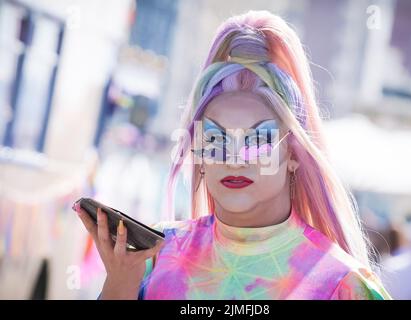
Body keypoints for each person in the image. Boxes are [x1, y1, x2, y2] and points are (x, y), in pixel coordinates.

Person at [74, 10, 391, 300]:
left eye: (258, 139)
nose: (235, 158)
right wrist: (120, 284)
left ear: (293, 153)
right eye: (215, 138)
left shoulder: (341, 285)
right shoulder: (156, 255)